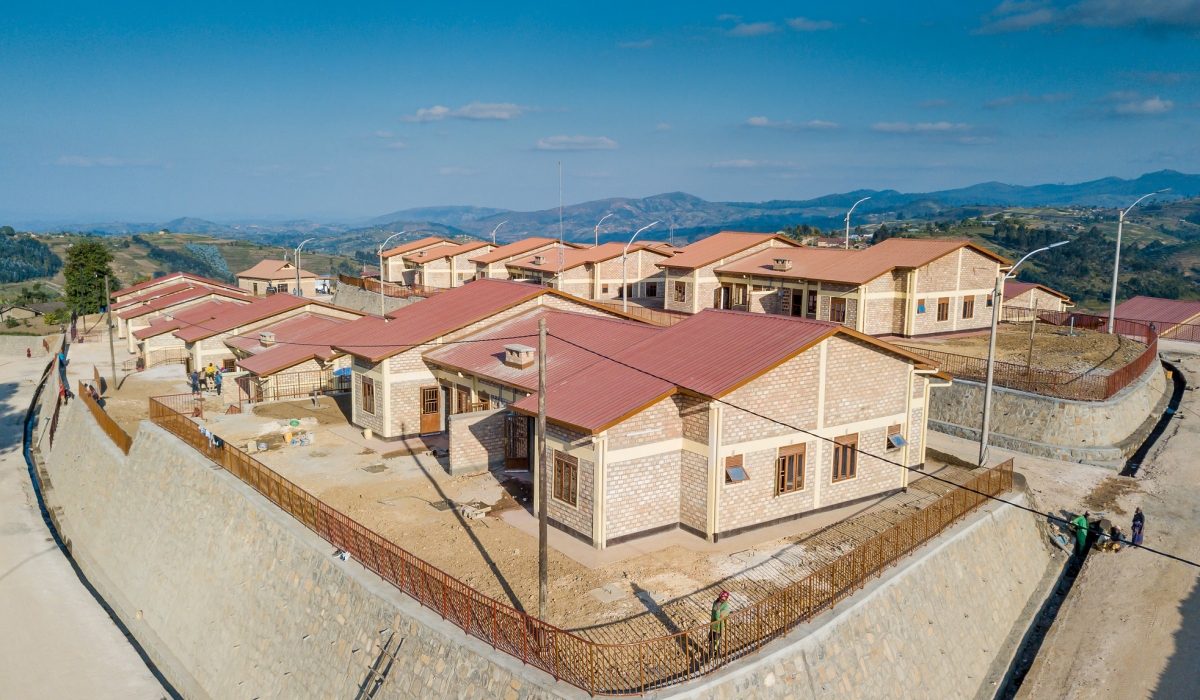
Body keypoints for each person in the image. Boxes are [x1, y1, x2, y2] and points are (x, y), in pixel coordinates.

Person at [709, 590, 731, 656]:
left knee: (715, 643)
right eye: (720, 598)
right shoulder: (716, 602)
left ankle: (712, 657)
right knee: (711, 641)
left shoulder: (726, 608)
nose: (720, 600)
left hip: (719, 628)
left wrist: (718, 609)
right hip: (713, 626)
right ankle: (716, 655)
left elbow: (718, 618)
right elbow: (713, 614)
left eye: (722, 600)